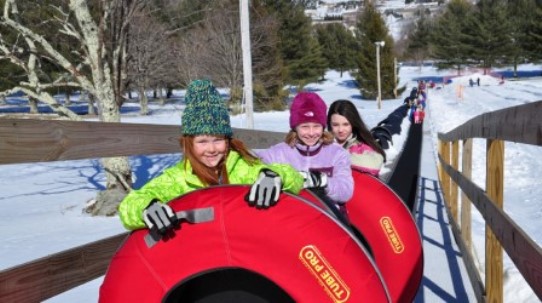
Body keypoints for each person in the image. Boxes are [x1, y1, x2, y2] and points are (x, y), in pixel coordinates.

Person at [118, 79, 304, 235]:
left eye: (218, 140)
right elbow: (130, 204)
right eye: (202, 141)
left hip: (245, 248)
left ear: (228, 141)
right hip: (203, 254)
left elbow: (292, 176)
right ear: (189, 143)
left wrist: (273, 176)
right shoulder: (179, 179)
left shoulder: (239, 168)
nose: (212, 149)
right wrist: (146, 207)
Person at [258, 92, 354, 213]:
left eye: (316, 126)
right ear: (295, 127)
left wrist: (322, 181)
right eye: (305, 126)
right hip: (290, 217)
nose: (311, 133)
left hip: (328, 216)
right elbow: (254, 163)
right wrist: (266, 174)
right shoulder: (279, 153)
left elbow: (345, 191)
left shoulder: (336, 153)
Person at [327, 100, 386, 177]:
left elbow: (374, 163)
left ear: (353, 124)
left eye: (346, 124)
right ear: (329, 124)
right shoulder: (321, 144)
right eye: (335, 125)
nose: (340, 130)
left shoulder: (360, 147)